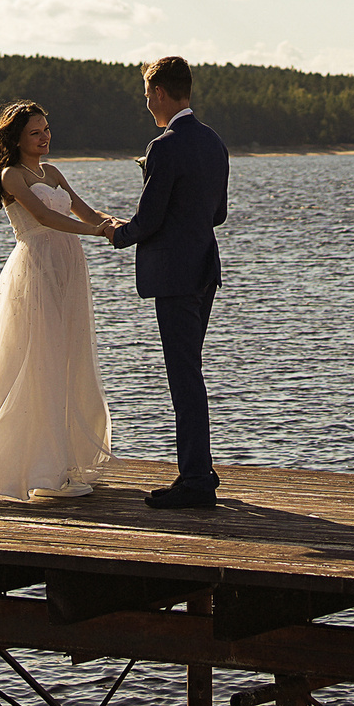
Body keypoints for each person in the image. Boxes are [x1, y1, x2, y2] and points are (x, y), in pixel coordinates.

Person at [0, 101, 120, 502]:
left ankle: (62, 462)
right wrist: (99, 233)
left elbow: (85, 211)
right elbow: (45, 219)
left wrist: (118, 223)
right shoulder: (12, 175)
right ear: (16, 138)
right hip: (35, 269)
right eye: (36, 132)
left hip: (68, 268)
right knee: (35, 361)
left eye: (47, 129)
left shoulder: (52, 172)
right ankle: (37, 468)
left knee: (67, 358)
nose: (45, 137)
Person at [105, 56, 229, 509]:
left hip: (176, 276)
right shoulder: (214, 142)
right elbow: (218, 214)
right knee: (190, 372)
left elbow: (150, 218)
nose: (146, 103)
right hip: (204, 271)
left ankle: (196, 479)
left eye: (146, 94)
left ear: (159, 92)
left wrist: (119, 233)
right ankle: (200, 470)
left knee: (184, 376)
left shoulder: (166, 145)